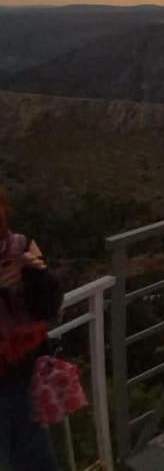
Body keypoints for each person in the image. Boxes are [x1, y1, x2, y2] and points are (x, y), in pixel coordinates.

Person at [0, 187, 63, 471]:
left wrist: (34, 275)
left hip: (24, 380)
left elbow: (48, 307)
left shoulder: (19, 246)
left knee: (39, 461)